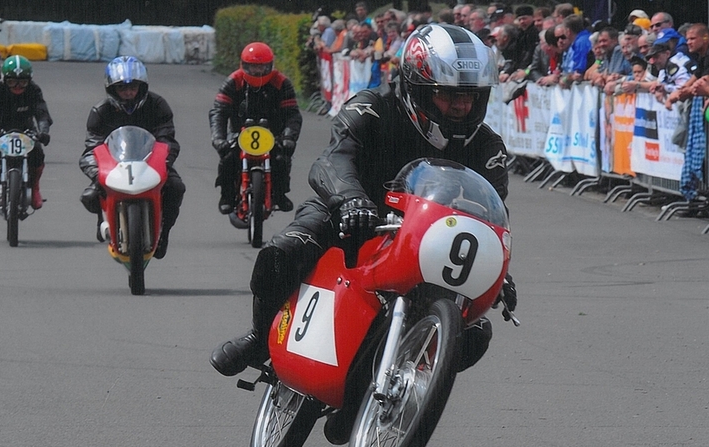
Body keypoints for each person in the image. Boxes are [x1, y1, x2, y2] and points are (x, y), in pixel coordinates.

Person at [210, 25, 517, 404]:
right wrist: (350, 200)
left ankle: (400, 392)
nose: (461, 106)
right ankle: (259, 338)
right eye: (448, 94)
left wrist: (498, 267)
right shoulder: (371, 106)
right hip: (349, 208)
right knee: (284, 250)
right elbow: (331, 160)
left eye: (471, 96)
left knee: (474, 333)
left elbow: (491, 212)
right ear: (416, 86)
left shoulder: (488, 147)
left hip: (424, 238)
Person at [78, 56, 185, 258]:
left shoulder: (158, 105)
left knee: (176, 188)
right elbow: (92, 148)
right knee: (89, 196)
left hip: (151, 163)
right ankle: (104, 220)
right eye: (122, 88)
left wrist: (164, 162)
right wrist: (97, 173)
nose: (128, 92)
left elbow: (167, 139)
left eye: (133, 87)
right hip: (114, 167)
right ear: (112, 89)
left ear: (141, 87)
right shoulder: (100, 112)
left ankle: (164, 233)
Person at [209, 42, 302, 215]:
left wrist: (289, 137)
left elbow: (292, 114)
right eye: (252, 67)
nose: (257, 72)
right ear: (243, 65)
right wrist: (218, 138)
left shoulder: (281, 82)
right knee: (229, 157)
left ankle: (281, 193)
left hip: (273, 133)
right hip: (239, 132)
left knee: (281, 158)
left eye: (262, 67)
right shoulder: (233, 81)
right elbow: (218, 111)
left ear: (270, 66)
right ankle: (227, 195)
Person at [0, 56, 51, 209]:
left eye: (22, 82)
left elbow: (42, 114)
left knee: (37, 152)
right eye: (12, 82)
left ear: (29, 80)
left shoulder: (34, 90)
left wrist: (43, 131)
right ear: (5, 80)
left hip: (26, 130)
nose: (17, 86)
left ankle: (35, 187)